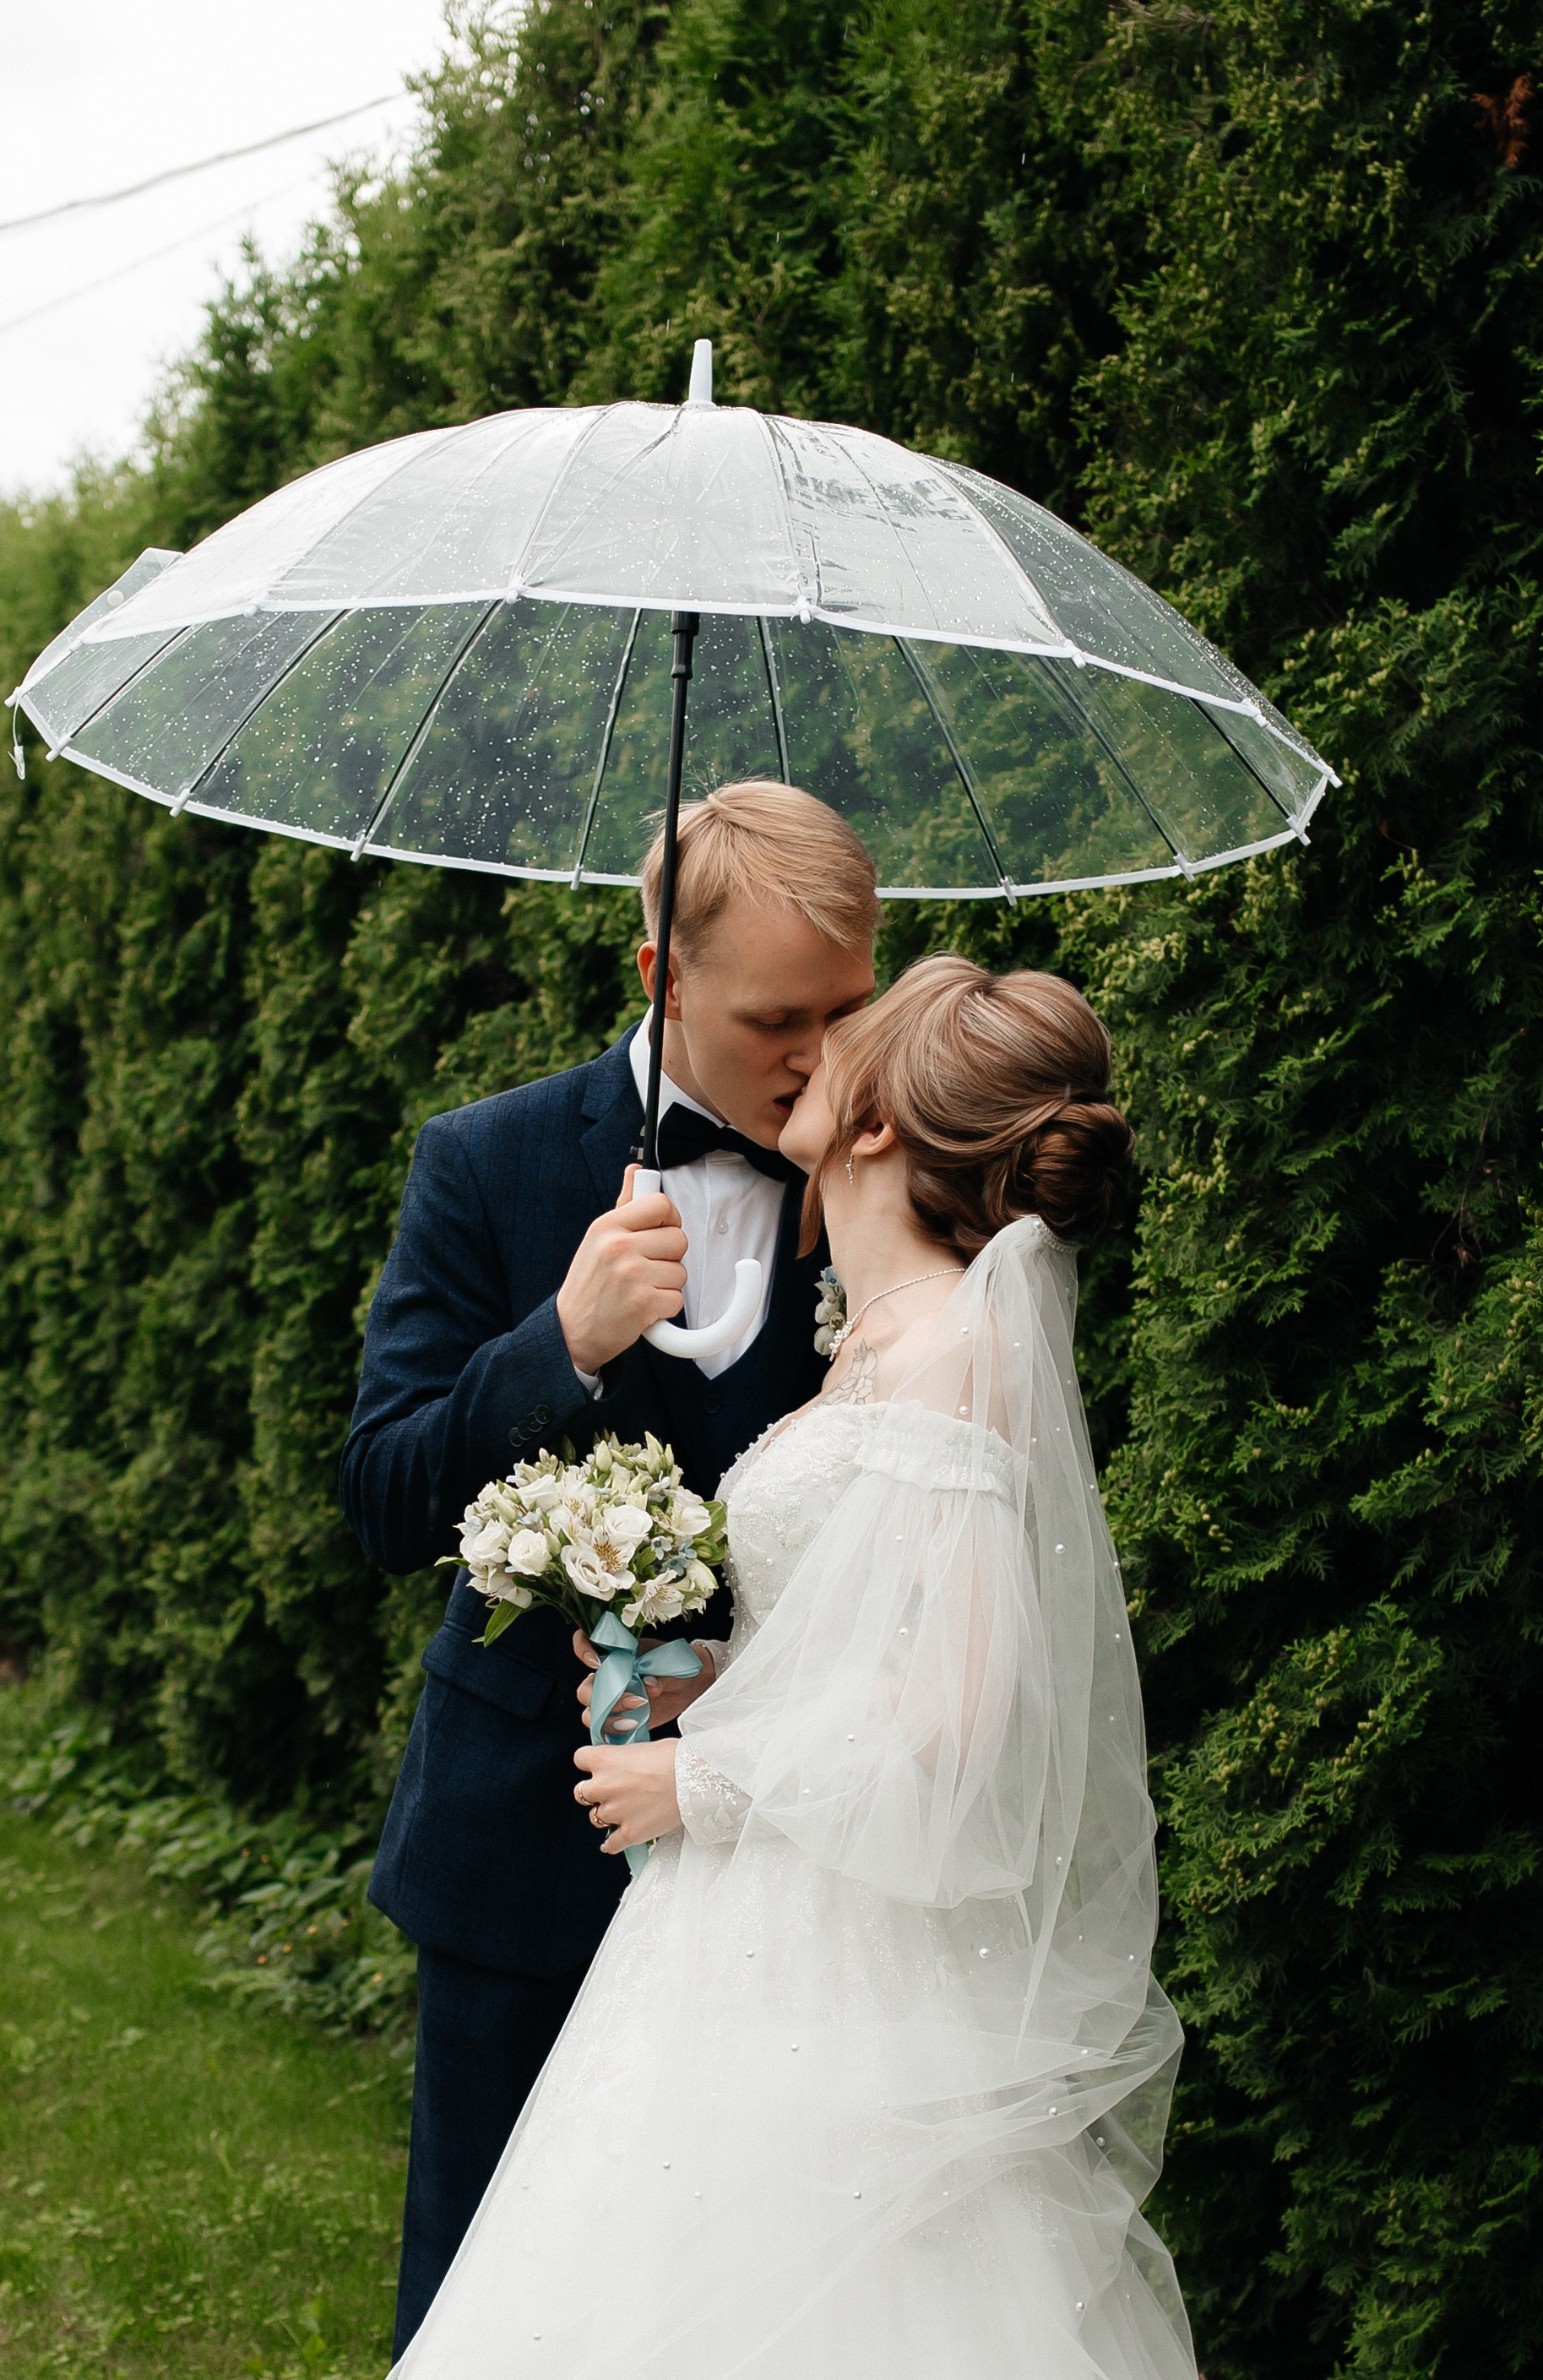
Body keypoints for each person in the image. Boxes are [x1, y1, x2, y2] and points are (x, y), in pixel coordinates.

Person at [388, 953, 1198, 2380]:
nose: (813, 1047)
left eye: (846, 1033)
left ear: (876, 1125)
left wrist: (704, 1780)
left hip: (837, 1950)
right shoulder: (875, 1337)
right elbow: (867, 1637)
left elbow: (955, 1716)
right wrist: (702, 1670)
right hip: (751, 1920)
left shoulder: (952, 1355)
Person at [339, 782, 880, 2356]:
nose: (822, 1057)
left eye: (848, 1009)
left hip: (780, 1858)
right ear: (660, 977)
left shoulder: (884, 1175)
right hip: (523, 1850)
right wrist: (557, 1343)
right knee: (483, 2309)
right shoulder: (487, 1162)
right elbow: (383, 1499)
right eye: (778, 1017)